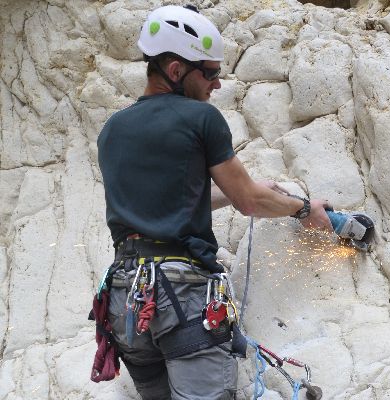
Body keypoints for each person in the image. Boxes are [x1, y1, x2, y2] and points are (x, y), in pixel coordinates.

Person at [96, 4, 332, 400]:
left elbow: (169, 205)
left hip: (127, 303)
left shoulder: (112, 131)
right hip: (181, 298)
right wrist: (304, 209)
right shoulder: (200, 118)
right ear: (175, 71)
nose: (217, 83)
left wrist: (254, 188)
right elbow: (249, 202)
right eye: (210, 72)